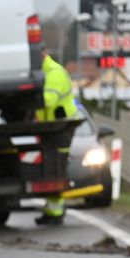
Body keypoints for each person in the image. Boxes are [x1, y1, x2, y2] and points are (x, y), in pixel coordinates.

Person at [35, 47, 78, 226]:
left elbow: (48, 100)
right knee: (52, 167)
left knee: (57, 167)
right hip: (52, 127)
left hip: (61, 128)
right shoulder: (44, 72)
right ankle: (52, 209)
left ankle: (56, 211)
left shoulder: (54, 73)